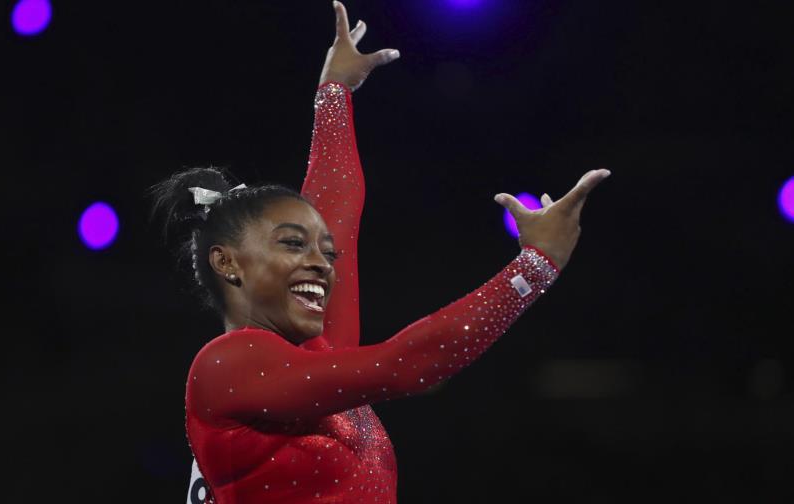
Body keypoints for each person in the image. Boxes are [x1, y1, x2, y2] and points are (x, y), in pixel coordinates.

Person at [150, 3, 611, 502]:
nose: (321, 263)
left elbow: (337, 219)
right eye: (291, 244)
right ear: (227, 263)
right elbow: (405, 365)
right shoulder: (228, 365)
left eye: (322, 253)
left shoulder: (315, 354)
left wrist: (335, 93)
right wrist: (533, 269)